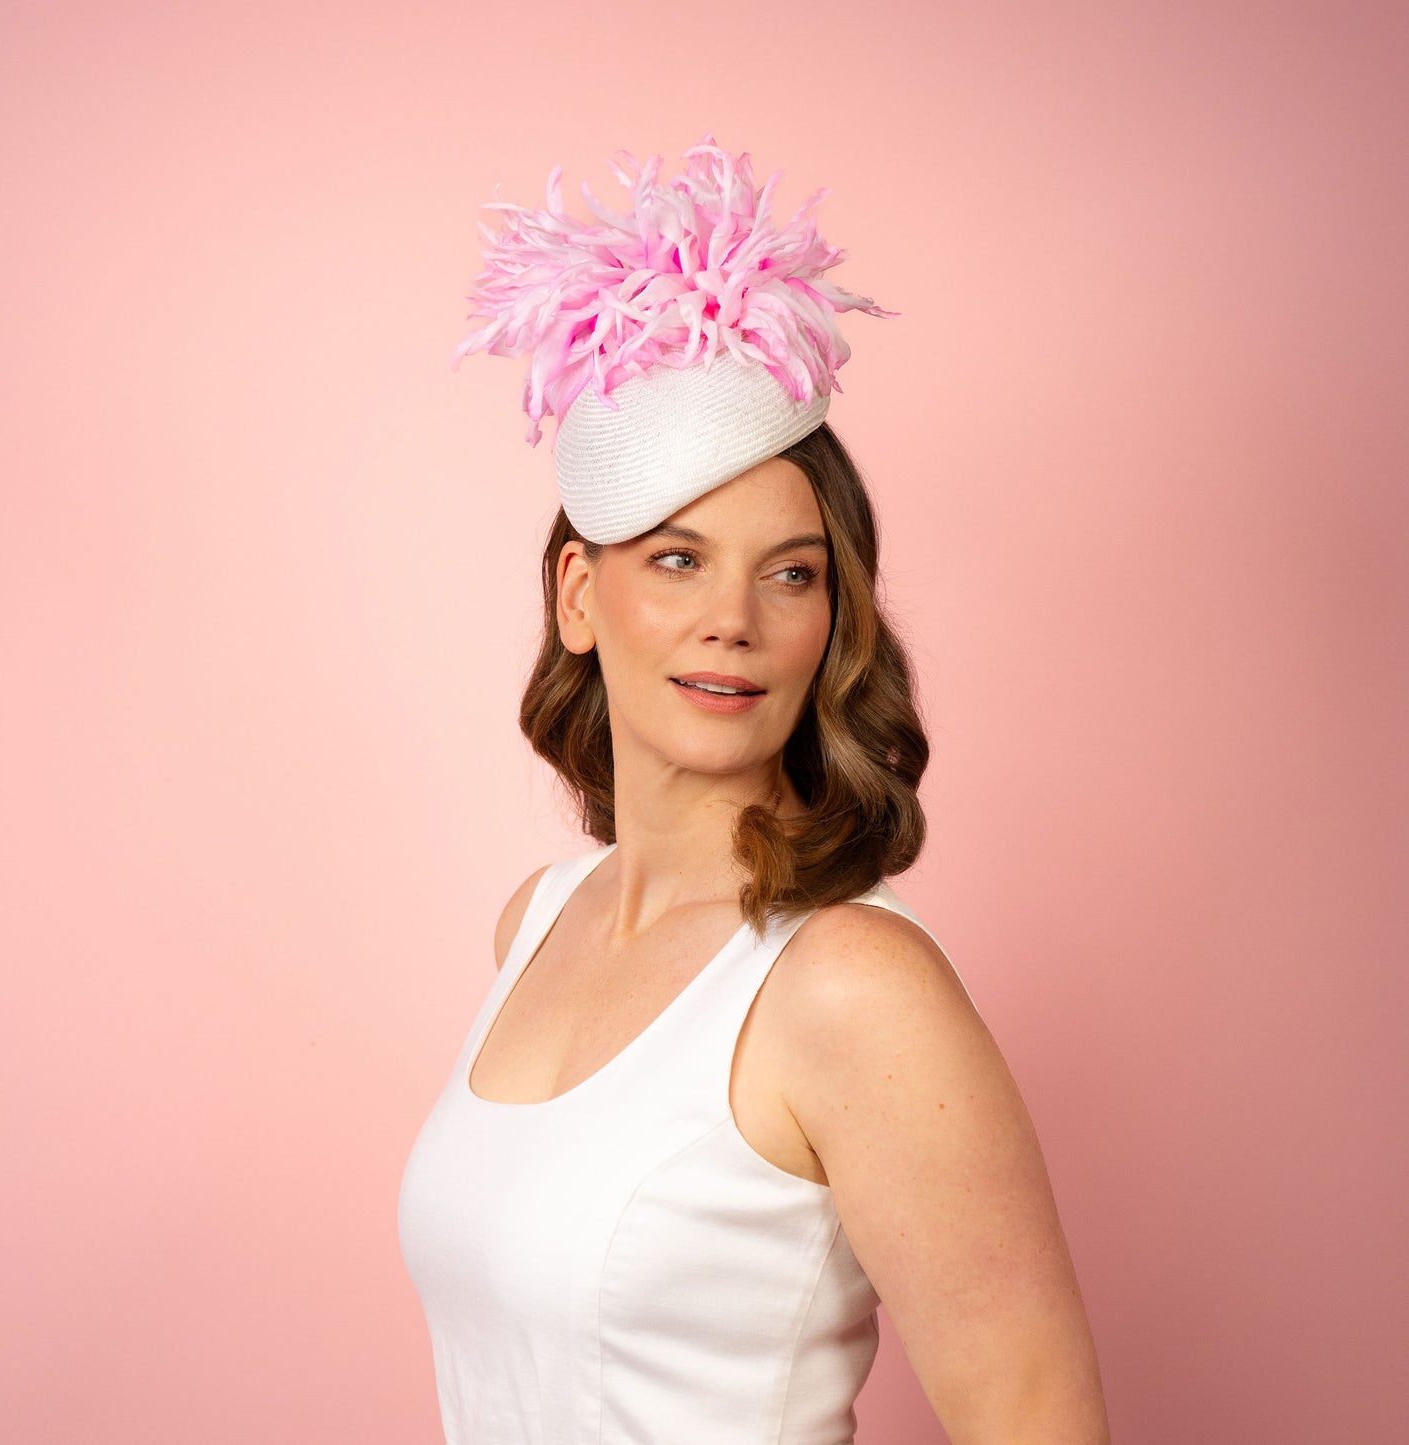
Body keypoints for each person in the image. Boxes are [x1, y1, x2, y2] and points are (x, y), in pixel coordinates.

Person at [397, 135, 1110, 1445]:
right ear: (577, 597)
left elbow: (1035, 1416)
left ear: (829, 616)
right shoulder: (535, 921)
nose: (732, 616)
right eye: (675, 559)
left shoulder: (850, 984)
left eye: (789, 572)